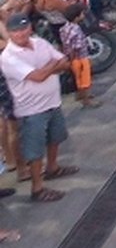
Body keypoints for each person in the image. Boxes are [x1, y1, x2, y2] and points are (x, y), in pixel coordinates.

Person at [0, 13, 76, 202]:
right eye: (15, 31)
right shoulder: (8, 57)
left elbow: (66, 63)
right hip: (31, 110)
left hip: (53, 102)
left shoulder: (40, 43)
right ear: (9, 33)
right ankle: (37, 188)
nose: (21, 33)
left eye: (24, 28)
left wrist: (48, 68)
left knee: (56, 137)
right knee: (35, 151)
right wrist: (53, 66)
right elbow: (39, 76)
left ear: (30, 28)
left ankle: (52, 168)